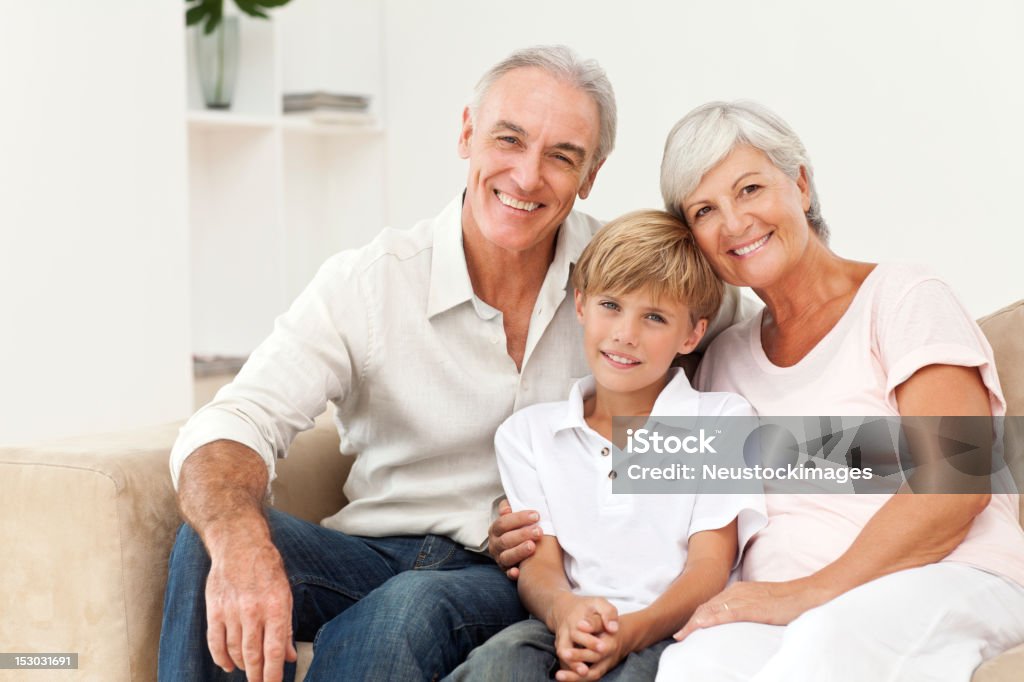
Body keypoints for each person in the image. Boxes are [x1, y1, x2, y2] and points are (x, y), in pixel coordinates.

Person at [157, 46, 750, 682]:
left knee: (410, 606)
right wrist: (240, 543)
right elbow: (238, 419)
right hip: (369, 551)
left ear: (592, 174)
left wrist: (859, 457)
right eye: (509, 139)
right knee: (207, 543)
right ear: (467, 132)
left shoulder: (629, 286)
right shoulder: (370, 284)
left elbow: (739, 395)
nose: (527, 176)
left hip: (512, 575)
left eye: (562, 156)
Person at [647, 101, 1024, 680]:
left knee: (824, 648)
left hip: (952, 576)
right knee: (692, 666)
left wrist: (806, 594)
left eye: (749, 188)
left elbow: (956, 482)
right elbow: (674, 495)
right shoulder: (720, 358)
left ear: (800, 183)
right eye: (705, 209)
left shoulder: (900, 296)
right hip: (791, 609)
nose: (734, 222)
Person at [446, 210, 766, 682]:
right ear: (581, 305)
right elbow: (541, 568)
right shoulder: (528, 435)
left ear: (692, 334)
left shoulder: (721, 421)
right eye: (611, 305)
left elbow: (709, 568)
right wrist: (566, 614)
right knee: (499, 663)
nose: (625, 334)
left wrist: (630, 632)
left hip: (672, 631)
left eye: (654, 317)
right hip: (566, 621)